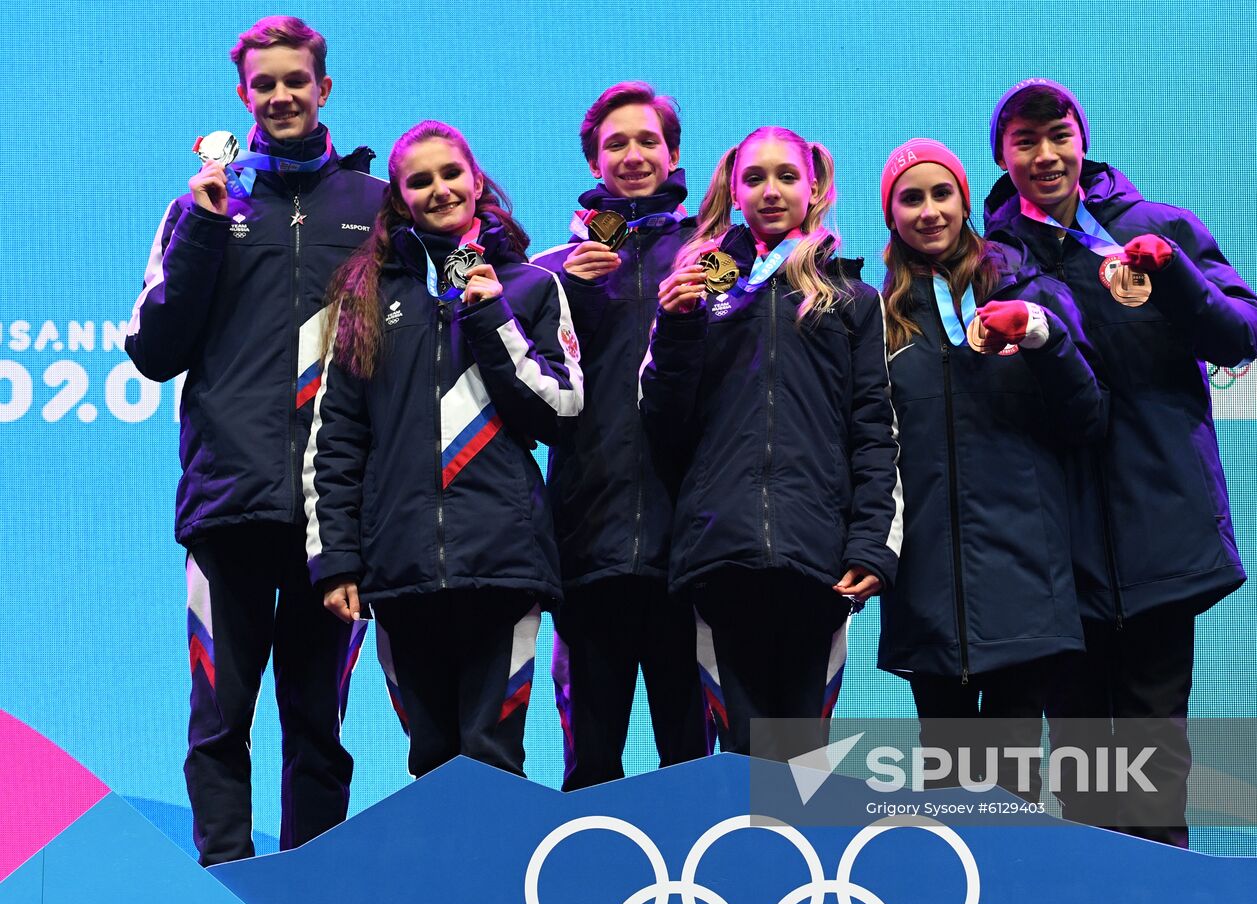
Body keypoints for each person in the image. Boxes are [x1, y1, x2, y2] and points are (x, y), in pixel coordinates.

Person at [983, 78, 1257, 845]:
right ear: (1003, 157)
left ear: (1083, 138)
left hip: (1160, 533)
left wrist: (1171, 272)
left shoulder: (1159, 227)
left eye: (1059, 135)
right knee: (1080, 772)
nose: (1046, 155)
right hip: (1056, 547)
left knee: (1152, 761)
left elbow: (1242, 334)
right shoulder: (994, 260)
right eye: (1025, 141)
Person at [124, 15, 382, 866]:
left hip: (334, 522)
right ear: (243, 96)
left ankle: (314, 895)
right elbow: (155, 352)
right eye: (263, 85)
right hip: (229, 504)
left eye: (294, 81)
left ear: (324, 88)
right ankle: (223, 888)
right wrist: (203, 228)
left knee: (317, 725)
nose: (279, 96)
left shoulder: (375, 209)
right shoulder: (202, 207)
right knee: (219, 720)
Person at [304, 120, 582, 781]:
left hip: (504, 564)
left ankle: (500, 887)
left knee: (493, 758)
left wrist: (492, 316)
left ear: (477, 182)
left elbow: (562, 413)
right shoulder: (364, 297)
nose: (439, 189)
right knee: (431, 762)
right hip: (400, 570)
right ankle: (442, 887)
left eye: (451, 174)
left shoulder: (531, 288)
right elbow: (337, 437)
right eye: (419, 180)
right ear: (399, 197)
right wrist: (338, 559)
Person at [641, 126, 903, 757]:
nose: (770, 191)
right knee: (738, 761)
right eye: (754, 178)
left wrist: (870, 542)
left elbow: (873, 428)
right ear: (733, 190)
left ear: (814, 188)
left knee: (802, 763)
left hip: (817, 557)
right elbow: (663, 423)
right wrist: (675, 329)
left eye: (787, 176)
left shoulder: (853, 301)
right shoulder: (697, 293)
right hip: (719, 550)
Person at [875, 138, 1104, 802]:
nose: (928, 211)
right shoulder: (875, 317)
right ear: (890, 214)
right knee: (947, 789)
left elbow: (1087, 418)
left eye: (941, 193)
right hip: (925, 595)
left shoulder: (1030, 291)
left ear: (966, 202)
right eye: (910, 197)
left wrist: (1043, 336)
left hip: (1022, 589)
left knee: (1013, 790)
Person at [531, 82, 713, 790]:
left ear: (673, 155)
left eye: (648, 141)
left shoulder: (714, 255)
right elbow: (517, 379)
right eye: (616, 144)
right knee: (591, 764)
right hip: (588, 546)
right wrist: (563, 296)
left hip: (691, 546)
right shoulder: (552, 270)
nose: (633, 155)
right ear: (593, 161)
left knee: (692, 763)